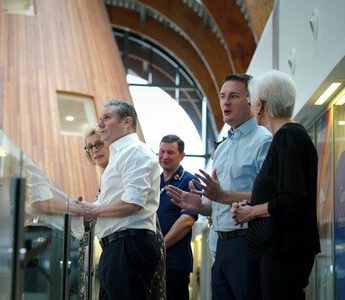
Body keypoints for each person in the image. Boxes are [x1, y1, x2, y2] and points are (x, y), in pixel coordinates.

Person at [166, 74, 272, 300]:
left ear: (251, 101)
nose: (225, 102)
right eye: (223, 96)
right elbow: (218, 204)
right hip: (221, 245)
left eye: (233, 96)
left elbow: (269, 196)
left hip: (248, 243)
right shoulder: (222, 148)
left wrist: (222, 196)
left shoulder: (263, 141)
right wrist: (200, 205)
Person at [230, 70, 320, 299]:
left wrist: (251, 212)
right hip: (286, 247)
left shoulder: (287, 137)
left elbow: (292, 199)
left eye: (251, 102)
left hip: (284, 249)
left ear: (259, 105)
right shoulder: (293, 136)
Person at [80, 100, 161, 300]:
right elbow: (109, 203)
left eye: (106, 118)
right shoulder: (119, 156)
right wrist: (83, 208)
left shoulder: (134, 151)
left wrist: (92, 211)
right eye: (100, 119)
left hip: (128, 245)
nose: (100, 125)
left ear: (126, 122)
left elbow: (132, 202)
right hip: (117, 247)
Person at [157, 134, 198, 300]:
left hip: (174, 262)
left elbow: (187, 220)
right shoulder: (153, 181)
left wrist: (160, 247)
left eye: (170, 152)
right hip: (152, 260)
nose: (165, 156)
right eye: (161, 152)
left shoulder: (189, 181)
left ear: (181, 155)